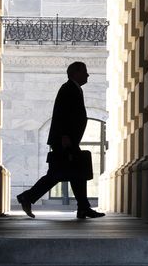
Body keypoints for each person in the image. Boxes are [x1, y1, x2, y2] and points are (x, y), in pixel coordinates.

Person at [16, 61, 105, 219]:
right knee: (61, 174)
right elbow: (61, 113)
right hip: (65, 140)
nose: (88, 75)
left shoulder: (73, 88)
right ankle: (28, 197)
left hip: (67, 140)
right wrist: (64, 135)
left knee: (76, 172)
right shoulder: (68, 88)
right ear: (75, 73)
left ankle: (83, 207)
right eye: (85, 71)